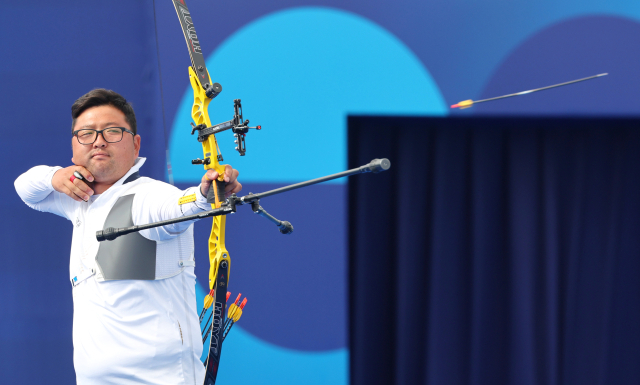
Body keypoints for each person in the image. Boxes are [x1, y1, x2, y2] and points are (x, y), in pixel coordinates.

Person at [14, 88, 240, 384]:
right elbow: (25, 187)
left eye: (112, 131)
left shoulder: (149, 195)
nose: (98, 141)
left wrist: (205, 194)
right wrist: (55, 177)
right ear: (74, 147)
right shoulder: (77, 199)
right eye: (86, 133)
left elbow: (178, 207)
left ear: (135, 145)